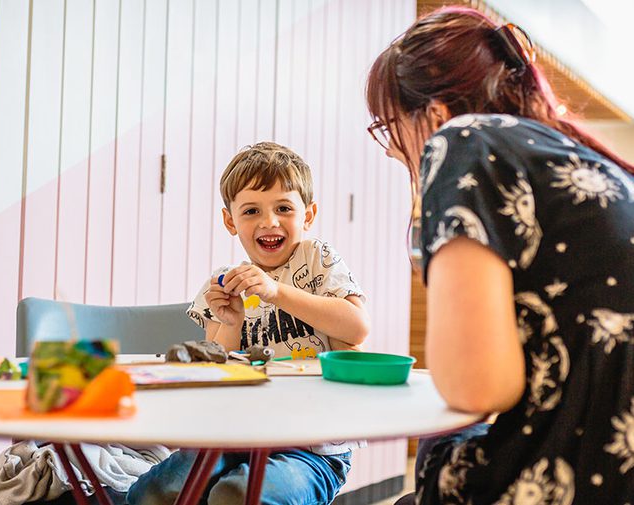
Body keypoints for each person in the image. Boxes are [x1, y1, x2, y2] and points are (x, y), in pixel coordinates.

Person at [365, 6, 634, 504]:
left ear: (437, 112)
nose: (389, 149)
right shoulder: (598, 166)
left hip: (583, 475)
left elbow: (478, 388)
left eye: (388, 126)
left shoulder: (465, 139)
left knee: (437, 449)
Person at [127, 141, 371, 505]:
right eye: (252, 210)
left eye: (284, 208)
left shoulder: (318, 258)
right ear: (230, 221)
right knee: (149, 493)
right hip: (231, 436)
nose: (269, 222)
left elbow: (357, 327)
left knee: (238, 495)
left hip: (312, 449)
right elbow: (212, 373)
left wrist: (276, 292)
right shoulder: (225, 281)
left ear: (307, 215)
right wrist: (230, 320)